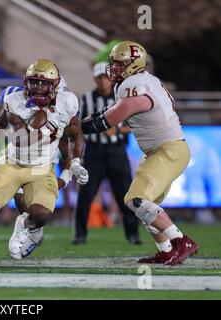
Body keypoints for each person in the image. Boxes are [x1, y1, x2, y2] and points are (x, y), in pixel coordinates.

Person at [0, 58, 88, 272]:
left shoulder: (68, 103)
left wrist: (74, 163)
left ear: (56, 86)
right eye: (34, 82)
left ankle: (26, 225)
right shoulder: (15, 100)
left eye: (44, 83)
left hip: (41, 167)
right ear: (25, 82)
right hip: (13, 162)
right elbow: (19, 138)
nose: (38, 88)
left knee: (42, 215)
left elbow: (76, 135)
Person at [81, 41, 198, 265]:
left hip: (167, 150)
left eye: (119, 64)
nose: (113, 68)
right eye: (113, 63)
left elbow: (109, 120)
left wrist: (77, 126)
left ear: (134, 65)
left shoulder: (133, 85)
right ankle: (165, 250)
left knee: (137, 200)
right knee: (146, 207)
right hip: (160, 150)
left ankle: (181, 241)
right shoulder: (140, 81)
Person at [73, 61, 141, 245]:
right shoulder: (85, 98)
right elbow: (77, 125)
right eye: (100, 77)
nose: (103, 81)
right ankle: (80, 234)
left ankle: (133, 234)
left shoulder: (122, 97)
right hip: (94, 152)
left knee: (125, 195)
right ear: (95, 78)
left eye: (105, 76)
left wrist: (117, 130)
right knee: (85, 195)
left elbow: (134, 124)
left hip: (116, 151)